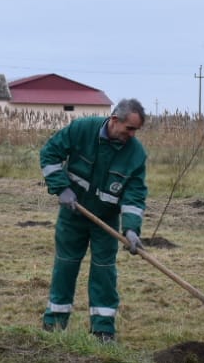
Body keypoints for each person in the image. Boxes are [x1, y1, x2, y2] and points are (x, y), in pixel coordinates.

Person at [39, 98, 148, 341]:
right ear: (114, 120)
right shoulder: (82, 130)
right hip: (73, 214)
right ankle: (55, 323)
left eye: (136, 130)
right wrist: (61, 188)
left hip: (106, 220)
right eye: (129, 128)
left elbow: (134, 194)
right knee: (65, 265)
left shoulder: (136, 154)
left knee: (104, 271)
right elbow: (49, 154)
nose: (132, 135)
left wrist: (131, 229)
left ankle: (103, 329)